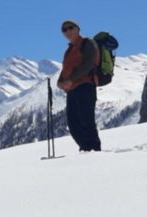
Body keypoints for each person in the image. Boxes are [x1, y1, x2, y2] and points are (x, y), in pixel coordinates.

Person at [57, 20, 102, 152]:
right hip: (72, 90)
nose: (67, 31)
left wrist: (70, 80)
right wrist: (60, 81)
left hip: (85, 86)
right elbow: (66, 69)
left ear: (77, 29)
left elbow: (89, 63)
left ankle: (94, 151)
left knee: (86, 121)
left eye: (70, 28)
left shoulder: (87, 43)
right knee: (74, 125)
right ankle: (86, 149)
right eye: (64, 30)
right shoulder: (69, 50)